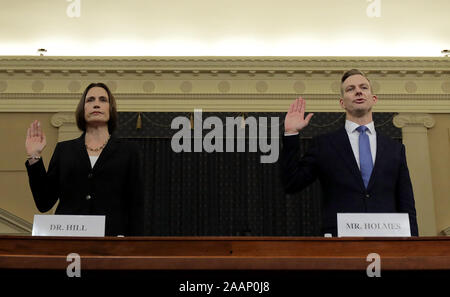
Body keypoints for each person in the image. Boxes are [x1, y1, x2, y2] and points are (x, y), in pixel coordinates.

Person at [281, 69, 419, 236]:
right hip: (340, 242)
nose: (358, 91)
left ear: (373, 99)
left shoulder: (395, 148)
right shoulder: (324, 144)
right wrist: (291, 133)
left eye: (364, 87)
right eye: (350, 89)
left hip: (389, 240)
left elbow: (406, 202)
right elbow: (292, 183)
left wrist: (413, 246)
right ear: (342, 103)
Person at [25, 83, 144, 236]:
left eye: (103, 100)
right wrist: (34, 157)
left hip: (111, 242)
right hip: (68, 241)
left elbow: (136, 204)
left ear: (111, 109)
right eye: (90, 100)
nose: (96, 104)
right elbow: (44, 202)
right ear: (83, 109)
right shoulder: (64, 150)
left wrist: (133, 247)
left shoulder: (129, 151)